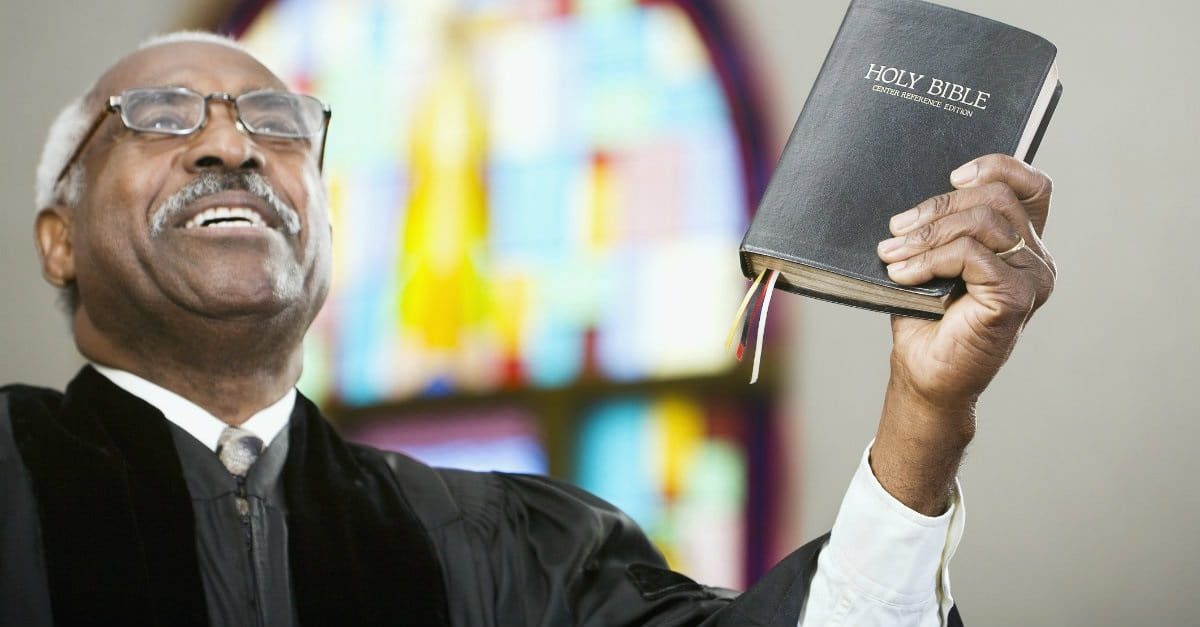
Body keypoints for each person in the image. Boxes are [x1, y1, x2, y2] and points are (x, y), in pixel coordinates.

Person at [0, 31, 1056, 627]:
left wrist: (925, 414)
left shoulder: (506, 550)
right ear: (57, 240)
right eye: (164, 114)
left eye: (277, 126)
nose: (230, 146)